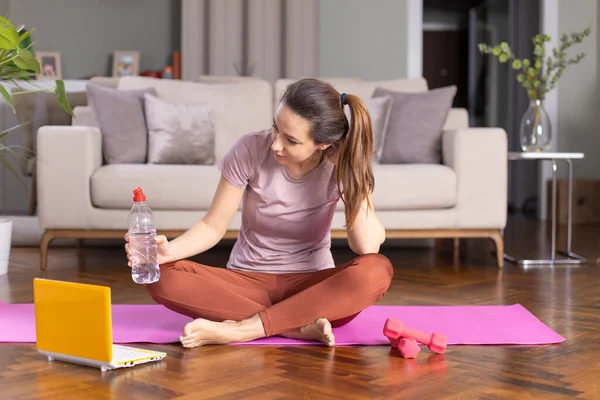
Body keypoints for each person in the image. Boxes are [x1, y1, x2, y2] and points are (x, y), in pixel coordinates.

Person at [125, 78, 394, 348]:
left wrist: (352, 173)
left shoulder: (341, 167)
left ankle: (244, 328)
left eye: (290, 140)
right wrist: (167, 252)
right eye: (276, 129)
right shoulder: (250, 149)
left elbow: (367, 246)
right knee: (161, 275)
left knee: (377, 270)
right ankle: (296, 327)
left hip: (312, 288)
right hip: (245, 280)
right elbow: (212, 226)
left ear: (322, 144)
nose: (276, 144)